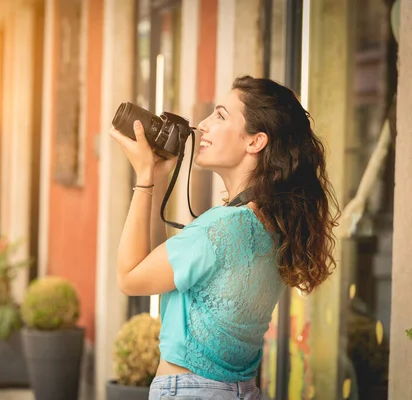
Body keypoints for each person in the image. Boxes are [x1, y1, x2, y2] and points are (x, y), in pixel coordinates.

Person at [109, 76, 338, 399]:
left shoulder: (220, 228)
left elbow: (130, 278)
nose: (202, 125)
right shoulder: (268, 226)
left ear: (255, 142)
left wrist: (144, 179)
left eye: (220, 116)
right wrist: (160, 180)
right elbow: (160, 270)